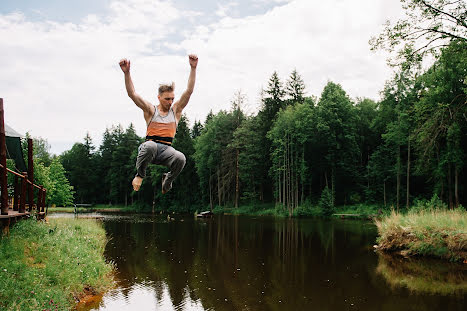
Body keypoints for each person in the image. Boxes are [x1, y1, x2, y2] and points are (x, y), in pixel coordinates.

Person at [119, 54, 198, 193]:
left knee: (181, 158)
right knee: (149, 146)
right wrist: (127, 73)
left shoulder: (176, 111)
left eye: (172, 98)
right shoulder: (150, 110)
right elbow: (132, 94)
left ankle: (167, 180)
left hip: (167, 151)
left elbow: (189, 91)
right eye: (167, 99)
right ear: (159, 97)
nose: (170, 102)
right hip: (150, 150)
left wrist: (193, 68)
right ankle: (139, 175)